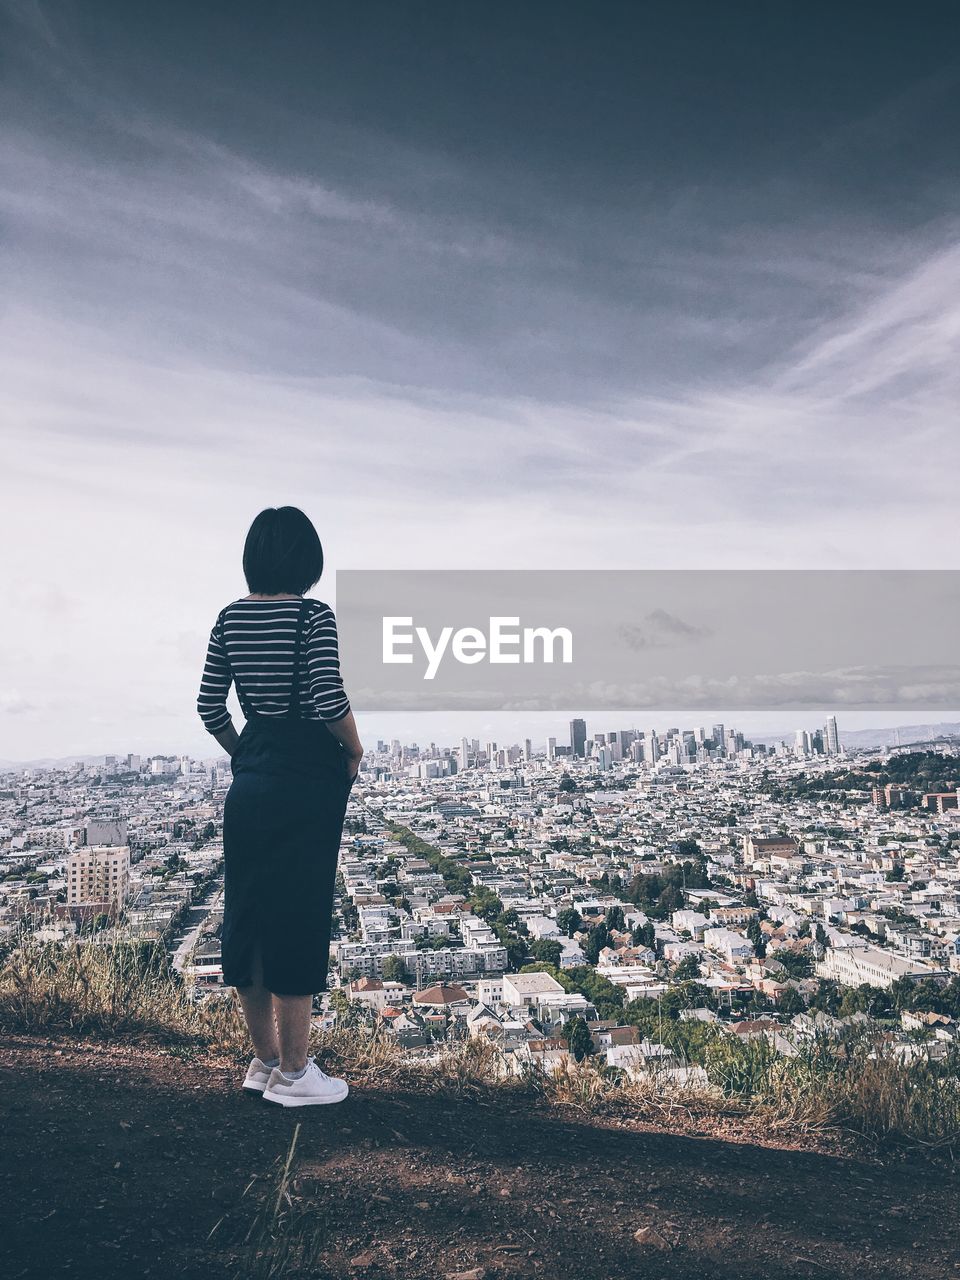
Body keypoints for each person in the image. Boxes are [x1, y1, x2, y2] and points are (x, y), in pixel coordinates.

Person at [196, 506, 363, 1107]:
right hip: (304, 779)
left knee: (252, 917)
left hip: (253, 778)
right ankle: (296, 1074)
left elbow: (210, 707)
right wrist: (354, 748)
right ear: (305, 559)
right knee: (299, 914)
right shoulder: (312, 617)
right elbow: (326, 697)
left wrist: (246, 753)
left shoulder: (228, 620)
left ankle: (264, 1062)